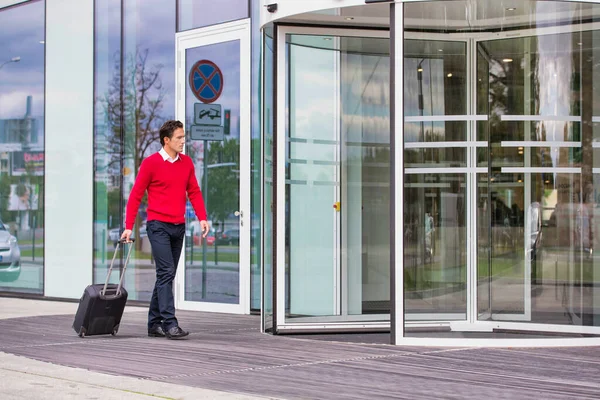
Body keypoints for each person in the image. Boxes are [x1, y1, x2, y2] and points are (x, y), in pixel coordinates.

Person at [121, 120, 209, 339]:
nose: (183, 141)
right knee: (166, 273)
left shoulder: (187, 163)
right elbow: (135, 195)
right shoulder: (151, 164)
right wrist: (128, 227)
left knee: (165, 275)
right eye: (179, 138)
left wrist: (202, 218)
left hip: (178, 227)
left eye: (183, 137)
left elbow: (195, 192)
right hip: (158, 225)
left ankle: (153, 324)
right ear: (166, 140)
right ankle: (170, 323)